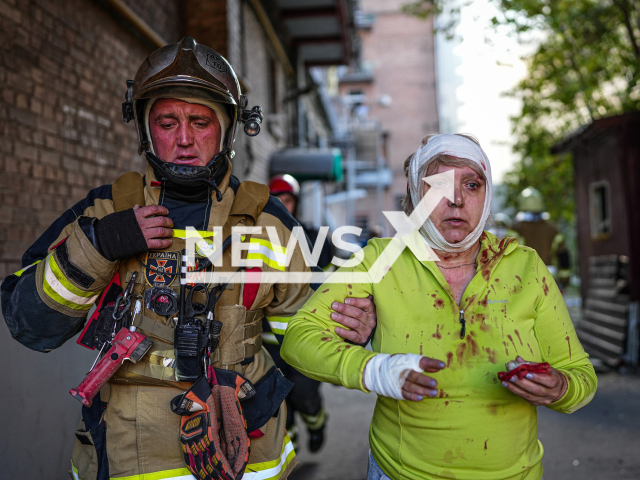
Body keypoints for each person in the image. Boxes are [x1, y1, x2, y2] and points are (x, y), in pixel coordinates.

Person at [0, 37, 373, 480]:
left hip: (249, 453)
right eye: (166, 121)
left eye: (200, 122)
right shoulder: (103, 213)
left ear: (227, 130)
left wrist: (350, 329)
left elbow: (305, 334)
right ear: (144, 129)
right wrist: (101, 244)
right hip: (132, 455)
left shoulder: (268, 221)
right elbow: (29, 324)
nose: (183, 139)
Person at [281, 133, 597, 480]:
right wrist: (375, 370)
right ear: (416, 194)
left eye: (472, 184)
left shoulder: (525, 266)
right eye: (438, 185)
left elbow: (580, 375)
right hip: (401, 472)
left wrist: (560, 388)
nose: (457, 199)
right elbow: (299, 339)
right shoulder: (379, 259)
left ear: (486, 194)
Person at [265, 174, 333, 452]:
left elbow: (330, 290)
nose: (283, 205)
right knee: (279, 403)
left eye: (288, 200)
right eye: (276, 200)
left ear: (296, 203)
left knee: (306, 397)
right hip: (268, 343)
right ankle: (290, 447)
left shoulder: (318, 240)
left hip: (306, 337)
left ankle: (317, 424)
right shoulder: (257, 242)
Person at [513, 187, 558, 265]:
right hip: (549, 273)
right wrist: (564, 277)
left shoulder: (516, 228)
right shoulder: (552, 228)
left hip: (524, 273)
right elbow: (562, 253)